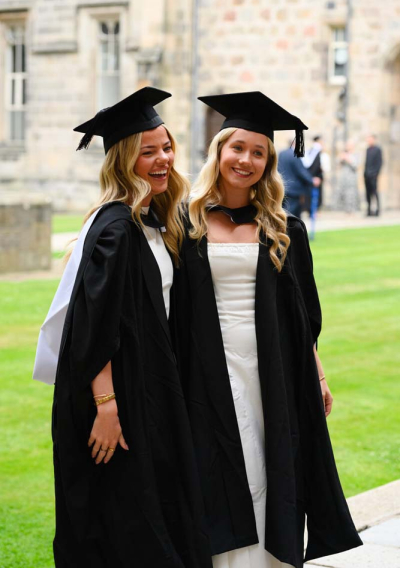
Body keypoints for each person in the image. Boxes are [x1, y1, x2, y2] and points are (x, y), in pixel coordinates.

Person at [173, 92, 362, 568]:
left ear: (268, 164)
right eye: (237, 148)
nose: (246, 160)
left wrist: (318, 375)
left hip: (271, 370)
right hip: (208, 370)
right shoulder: (184, 223)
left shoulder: (284, 229)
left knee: (269, 466)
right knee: (221, 466)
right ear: (219, 151)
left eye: (258, 152)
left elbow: (302, 317)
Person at [33, 88, 212, 568]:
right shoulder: (116, 229)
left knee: (150, 513)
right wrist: (107, 407)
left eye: (166, 147)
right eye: (147, 151)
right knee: (122, 522)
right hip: (116, 397)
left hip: (147, 389)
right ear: (124, 160)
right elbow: (93, 327)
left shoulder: (153, 221)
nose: (163, 159)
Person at [278, 142, 320, 218]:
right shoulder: (295, 155)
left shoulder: (282, 153)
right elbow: (301, 171)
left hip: (283, 187)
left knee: (284, 211)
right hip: (294, 190)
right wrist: (312, 180)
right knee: (292, 215)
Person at [301, 135, 324, 214]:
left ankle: (310, 210)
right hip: (315, 177)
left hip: (310, 176)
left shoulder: (310, 151)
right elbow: (317, 166)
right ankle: (313, 210)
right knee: (314, 195)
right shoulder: (317, 151)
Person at [335, 140, 360, 213]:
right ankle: (346, 210)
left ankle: (352, 210)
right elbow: (337, 163)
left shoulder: (356, 155)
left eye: (349, 145)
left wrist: (348, 159)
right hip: (344, 177)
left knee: (351, 194)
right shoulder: (343, 153)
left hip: (351, 177)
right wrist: (341, 158)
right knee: (343, 194)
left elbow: (356, 165)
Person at [364, 134, 383, 216]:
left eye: (370, 139)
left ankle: (377, 210)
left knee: (375, 192)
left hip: (373, 175)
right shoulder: (368, 150)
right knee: (367, 193)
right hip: (367, 175)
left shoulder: (378, 149)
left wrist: (376, 173)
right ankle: (369, 210)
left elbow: (379, 162)